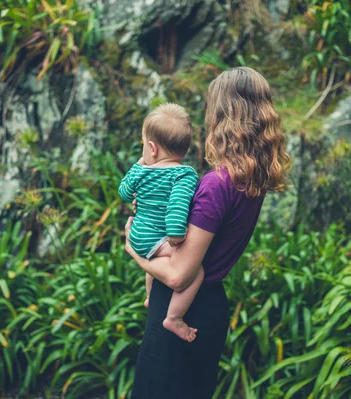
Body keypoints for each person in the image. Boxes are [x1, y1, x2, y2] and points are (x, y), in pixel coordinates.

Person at [125, 67, 290, 398]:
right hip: (209, 309)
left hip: (183, 309)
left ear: (222, 114)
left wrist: (133, 250)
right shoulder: (251, 180)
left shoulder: (217, 184)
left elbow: (178, 275)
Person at [118, 103, 204, 342]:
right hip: (156, 238)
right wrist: (176, 236)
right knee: (196, 271)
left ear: (152, 148)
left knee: (156, 261)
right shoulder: (183, 175)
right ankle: (174, 318)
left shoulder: (141, 171)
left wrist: (138, 166)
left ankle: (149, 297)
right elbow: (177, 209)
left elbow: (124, 193)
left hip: (137, 234)